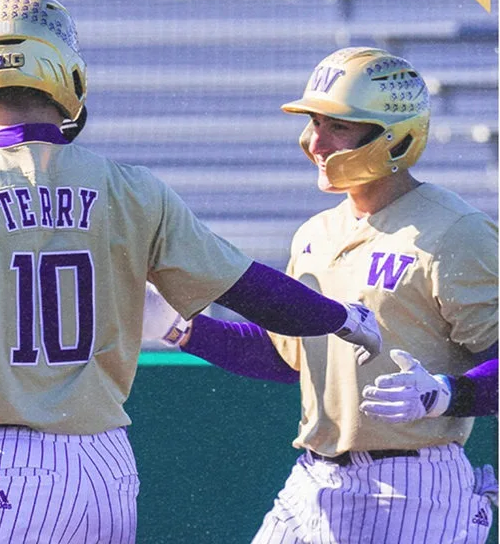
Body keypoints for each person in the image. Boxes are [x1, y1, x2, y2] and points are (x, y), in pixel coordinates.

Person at [0, 0, 383, 544]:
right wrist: (337, 316)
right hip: (104, 464)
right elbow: (250, 287)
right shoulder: (133, 188)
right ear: (65, 74)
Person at [144, 46, 498, 544]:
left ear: (394, 136)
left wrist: (447, 395)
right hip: (314, 476)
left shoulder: (456, 230)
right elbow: (286, 357)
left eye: (339, 126)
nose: (315, 141)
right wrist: (181, 330)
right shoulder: (315, 233)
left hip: (413, 485)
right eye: (314, 122)